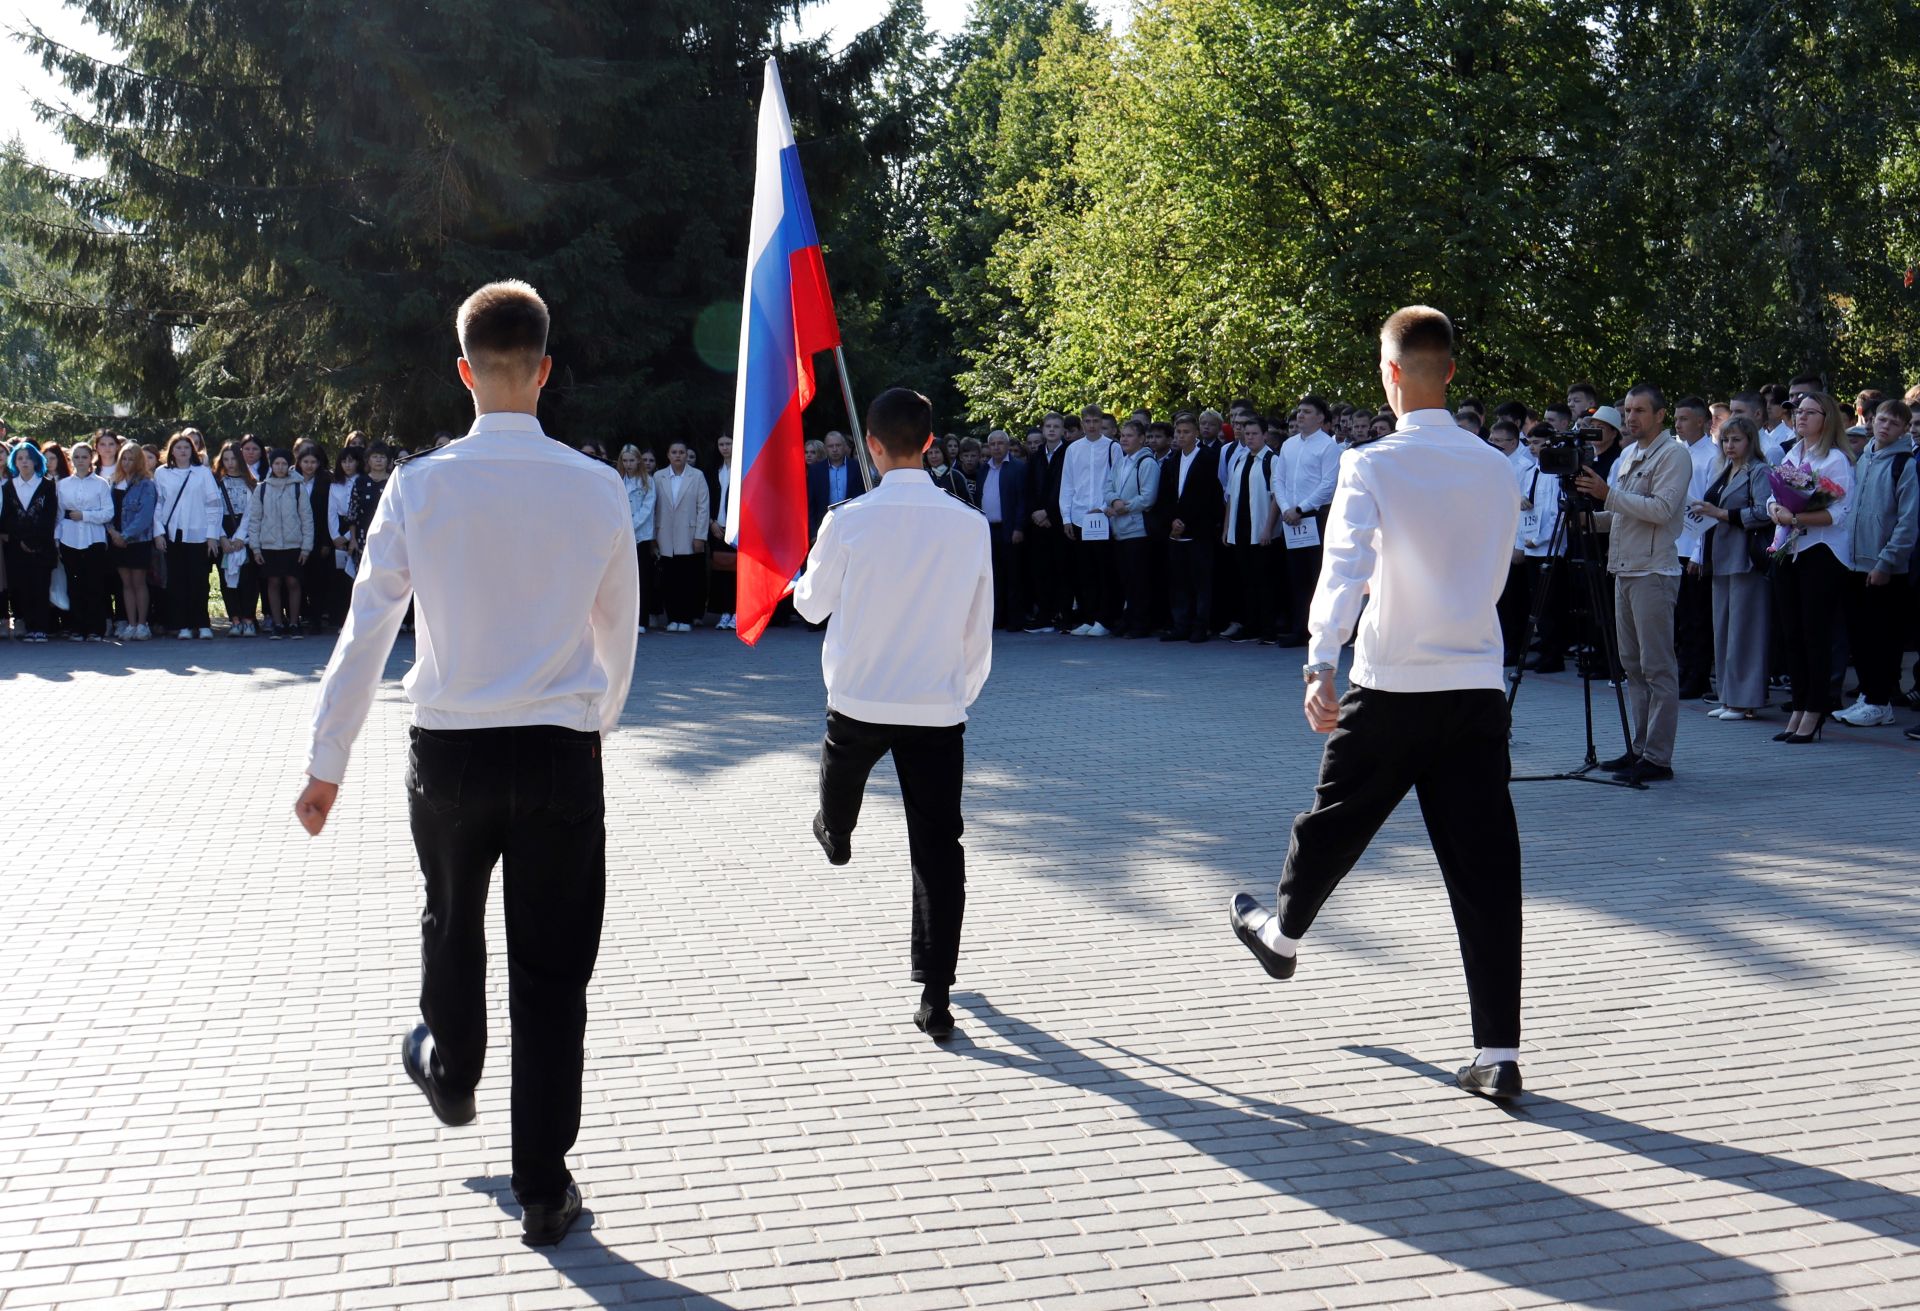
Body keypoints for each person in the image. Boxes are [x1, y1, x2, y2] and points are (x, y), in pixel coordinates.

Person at [295, 280, 636, 1248]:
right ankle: (543, 1188)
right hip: (559, 752)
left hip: (448, 750)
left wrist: (328, 760)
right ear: (546, 371)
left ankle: (452, 1070)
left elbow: (368, 628)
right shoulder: (597, 487)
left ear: (463, 372)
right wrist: (590, 724)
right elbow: (621, 635)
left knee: (451, 922)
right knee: (552, 973)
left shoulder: (419, 485)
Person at [1227, 306, 1525, 1101]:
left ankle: (1283, 937)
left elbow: (1345, 568)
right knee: (1486, 868)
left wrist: (1321, 659)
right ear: (1450, 371)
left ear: (1390, 374)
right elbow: (1500, 570)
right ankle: (1497, 1048)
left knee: (1331, 823)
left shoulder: (1370, 465)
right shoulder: (1498, 466)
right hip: (1472, 685)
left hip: (1393, 681)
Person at [794, 386, 992, 1042]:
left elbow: (811, 608)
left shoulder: (846, 519)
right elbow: (978, 626)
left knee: (838, 769)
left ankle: (838, 827)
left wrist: (796, 579)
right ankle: (936, 995)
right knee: (940, 850)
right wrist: (958, 689)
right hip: (935, 702)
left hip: (859, 696)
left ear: (870, 447)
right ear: (930, 443)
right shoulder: (968, 524)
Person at [1573, 385, 1690, 783]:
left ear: (1661, 416)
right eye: (1627, 411)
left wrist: (1606, 494)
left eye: (1640, 410)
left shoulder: (1673, 454)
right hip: (1624, 568)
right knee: (1633, 668)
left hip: (1653, 572)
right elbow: (1624, 514)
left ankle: (1658, 757)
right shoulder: (1630, 455)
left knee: (1658, 668)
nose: (1631, 418)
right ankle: (1638, 747)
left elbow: (1660, 510)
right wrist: (1588, 518)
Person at [1765, 390, 1856, 743]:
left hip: (1821, 554)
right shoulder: (1793, 452)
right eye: (1797, 412)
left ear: (1826, 418)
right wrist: (1776, 510)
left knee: (1814, 635)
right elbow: (1775, 495)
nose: (1800, 417)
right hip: (1790, 549)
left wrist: (1797, 515)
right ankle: (1799, 705)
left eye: (1808, 412)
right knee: (1792, 635)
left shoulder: (1835, 460)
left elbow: (1836, 513)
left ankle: (1816, 710)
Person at [1834, 399, 1916, 728]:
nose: (1884, 427)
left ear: (1904, 429)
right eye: (1881, 420)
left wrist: (1886, 561)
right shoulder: (1863, 457)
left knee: (1881, 638)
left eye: (1893, 424)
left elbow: (1908, 522)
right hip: (1854, 562)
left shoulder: (1904, 464)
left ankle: (1881, 701)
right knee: (1860, 637)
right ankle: (1869, 697)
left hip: (1883, 568)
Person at [1691, 416, 1773, 720]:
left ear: (1750, 441)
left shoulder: (1759, 470)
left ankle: (1745, 700)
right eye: (1725, 440)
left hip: (1745, 558)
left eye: (1736, 440)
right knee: (1724, 629)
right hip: (1721, 556)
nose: (1729, 445)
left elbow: (1764, 512)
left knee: (1745, 631)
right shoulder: (1724, 469)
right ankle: (1728, 696)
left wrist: (1721, 513)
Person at [1272, 395, 1342, 646]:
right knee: (1296, 576)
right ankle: (1299, 628)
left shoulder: (1327, 446)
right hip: (1291, 518)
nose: (1300, 415)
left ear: (1321, 417)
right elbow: (1278, 479)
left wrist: (1301, 508)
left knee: (1316, 576)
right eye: (1299, 411)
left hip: (1314, 516)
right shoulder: (1289, 445)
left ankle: (1322, 631)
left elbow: (1328, 484)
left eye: (1307, 411)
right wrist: (1286, 508)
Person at [152, 432, 220, 639]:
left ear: (193, 451)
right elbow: (159, 504)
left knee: (199, 581)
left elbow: (214, 504)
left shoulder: (202, 472)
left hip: (198, 534)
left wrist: (211, 535)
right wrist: (158, 532)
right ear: (171, 450)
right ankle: (183, 625)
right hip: (173, 535)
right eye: (178, 447)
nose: (182, 451)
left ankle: (202, 623)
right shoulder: (162, 473)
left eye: (186, 448)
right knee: (177, 581)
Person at [1162, 412, 1223, 643]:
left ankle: (1200, 626)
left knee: (1201, 582)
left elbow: (1208, 497)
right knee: (1179, 582)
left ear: (1196, 434)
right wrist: (1172, 520)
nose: (1181, 436)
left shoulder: (1208, 458)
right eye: (1178, 432)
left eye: (1186, 432)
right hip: (1176, 531)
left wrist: (1186, 521)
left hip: (1199, 530)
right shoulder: (1172, 460)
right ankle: (1180, 625)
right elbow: (1167, 495)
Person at [1672, 396, 1718, 699]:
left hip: (1696, 546)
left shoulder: (1712, 457)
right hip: (1674, 544)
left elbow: (1709, 506)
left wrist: (1700, 552)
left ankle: (1698, 675)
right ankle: (1683, 671)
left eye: (1685, 418)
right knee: (1678, 617)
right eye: (1676, 418)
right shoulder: (1675, 453)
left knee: (1696, 617)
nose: (1678, 424)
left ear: (1702, 421)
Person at [1220, 412, 1278, 643]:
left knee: (1265, 582)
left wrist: (1268, 529)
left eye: (1255, 434)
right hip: (1240, 528)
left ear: (1265, 435)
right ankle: (1251, 625)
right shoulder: (1240, 460)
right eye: (1247, 434)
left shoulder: (1271, 460)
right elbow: (1231, 497)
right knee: (1246, 581)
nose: (1250, 438)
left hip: (1261, 531)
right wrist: (1226, 528)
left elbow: (1276, 497)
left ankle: (1269, 630)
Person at [1060, 404, 1117, 635]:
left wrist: (1104, 507)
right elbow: (1068, 483)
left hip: (1103, 516)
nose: (1092, 426)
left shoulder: (1112, 447)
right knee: (1085, 571)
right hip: (1080, 516)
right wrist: (1066, 516)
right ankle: (1088, 616)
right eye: (1088, 422)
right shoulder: (1073, 449)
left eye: (1096, 421)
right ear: (1082, 423)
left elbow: (1115, 479)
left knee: (1104, 570)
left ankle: (1104, 619)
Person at [1103, 418, 1161, 638]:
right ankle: (1129, 619)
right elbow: (1107, 488)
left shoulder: (1147, 463)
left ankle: (1141, 623)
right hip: (1120, 531)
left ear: (1141, 438)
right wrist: (1114, 500)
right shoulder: (1121, 462)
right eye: (1122, 435)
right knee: (1127, 579)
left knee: (1140, 580)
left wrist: (1121, 508)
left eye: (1129, 435)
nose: (1124, 439)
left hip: (1137, 530)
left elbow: (1148, 498)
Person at [249, 449, 313, 638]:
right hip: (269, 545)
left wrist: (306, 547)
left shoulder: (297, 486)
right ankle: (277, 623)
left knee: (293, 582)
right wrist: (255, 548)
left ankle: (294, 623)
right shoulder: (262, 488)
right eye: (276, 463)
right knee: (273, 582)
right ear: (271, 465)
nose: (280, 467)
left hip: (293, 545)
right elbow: (255, 520)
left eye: (284, 463)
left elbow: (306, 518)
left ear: (289, 465)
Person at [55, 441, 114, 641]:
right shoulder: (63, 485)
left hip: (94, 539)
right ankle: (77, 627)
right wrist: (56, 539)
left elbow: (108, 512)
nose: (80, 461)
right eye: (77, 457)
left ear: (91, 459)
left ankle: (95, 629)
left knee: (94, 584)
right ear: (71, 459)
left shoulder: (100, 483)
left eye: (84, 457)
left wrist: (85, 515)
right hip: (69, 539)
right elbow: (58, 515)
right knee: (74, 585)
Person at [2, 442, 58, 641]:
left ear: (36, 461)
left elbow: (49, 516)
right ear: (14, 462)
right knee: (23, 588)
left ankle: (41, 628)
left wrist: (34, 540)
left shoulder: (47, 485)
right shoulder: (8, 487)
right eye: (20, 458)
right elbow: (8, 518)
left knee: (41, 587)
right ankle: (30, 626)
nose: (24, 462)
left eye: (28, 458)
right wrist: (21, 539)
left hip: (41, 546)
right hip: (17, 547)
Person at [1023, 413, 1072, 632]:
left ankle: (1063, 615)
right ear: (1043, 430)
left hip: (1059, 521)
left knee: (1062, 570)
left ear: (1063, 430)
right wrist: (1035, 512)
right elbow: (1030, 488)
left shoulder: (1069, 453)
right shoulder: (1035, 457)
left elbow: (1065, 486)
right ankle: (1044, 615)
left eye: (1056, 427)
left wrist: (1049, 513)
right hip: (1038, 523)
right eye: (1048, 426)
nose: (1051, 430)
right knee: (1041, 570)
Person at [653, 440, 709, 632]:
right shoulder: (658, 477)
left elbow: (703, 508)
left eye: (681, 452)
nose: (678, 455)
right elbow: (654, 507)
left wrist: (700, 535)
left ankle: (685, 618)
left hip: (688, 534)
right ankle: (672, 618)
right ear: (668, 455)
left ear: (687, 455)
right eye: (674, 452)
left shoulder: (697, 476)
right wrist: (653, 536)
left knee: (686, 578)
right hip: (665, 534)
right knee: (668, 579)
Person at [977, 430, 1027, 630]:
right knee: (994, 575)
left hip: (1010, 528)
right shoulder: (983, 470)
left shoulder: (1018, 468)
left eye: (1000, 443)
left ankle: (1015, 620)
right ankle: (998, 618)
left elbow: (1023, 500)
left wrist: (1019, 527)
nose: (996, 447)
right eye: (993, 444)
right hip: (989, 529)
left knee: (1013, 576)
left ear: (1007, 445)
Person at [106, 441, 157, 639]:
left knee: (138, 582)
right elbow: (108, 512)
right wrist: (113, 533)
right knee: (125, 584)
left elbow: (144, 516)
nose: (127, 463)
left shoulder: (146, 484)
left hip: (137, 541)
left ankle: (142, 624)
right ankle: (131, 623)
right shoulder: (114, 482)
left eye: (131, 459)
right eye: (124, 459)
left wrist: (125, 535)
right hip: (117, 540)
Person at [210, 442, 259, 636]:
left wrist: (241, 537)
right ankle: (235, 619)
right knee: (227, 578)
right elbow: (214, 511)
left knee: (248, 578)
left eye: (233, 459)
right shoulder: (216, 482)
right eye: (226, 459)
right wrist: (222, 537)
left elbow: (252, 513)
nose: (230, 463)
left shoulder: (252, 483)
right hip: (223, 530)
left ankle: (248, 618)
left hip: (244, 534)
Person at [616, 444, 657, 633]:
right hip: (622, 535)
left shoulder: (648, 482)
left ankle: (642, 620)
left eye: (632, 460)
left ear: (638, 460)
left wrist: (631, 525)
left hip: (641, 536)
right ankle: (625, 620)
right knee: (624, 579)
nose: (628, 464)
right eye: (625, 460)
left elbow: (647, 509)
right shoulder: (618, 480)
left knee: (643, 579)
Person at [806, 431, 870, 541]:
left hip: (851, 525)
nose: (835, 449)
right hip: (824, 526)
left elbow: (864, 497)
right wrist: (813, 533)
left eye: (838, 445)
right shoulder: (816, 471)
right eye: (831, 446)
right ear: (826, 448)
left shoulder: (857, 468)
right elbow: (811, 504)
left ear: (845, 447)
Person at [326, 447, 362, 623]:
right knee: (340, 577)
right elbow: (331, 511)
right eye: (344, 461)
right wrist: (335, 536)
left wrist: (348, 537)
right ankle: (342, 617)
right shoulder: (335, 484)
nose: (348, 465)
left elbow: (360, 514)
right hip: (339, 527)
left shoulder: (362, 481)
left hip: (357, 529)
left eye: (351, 461)